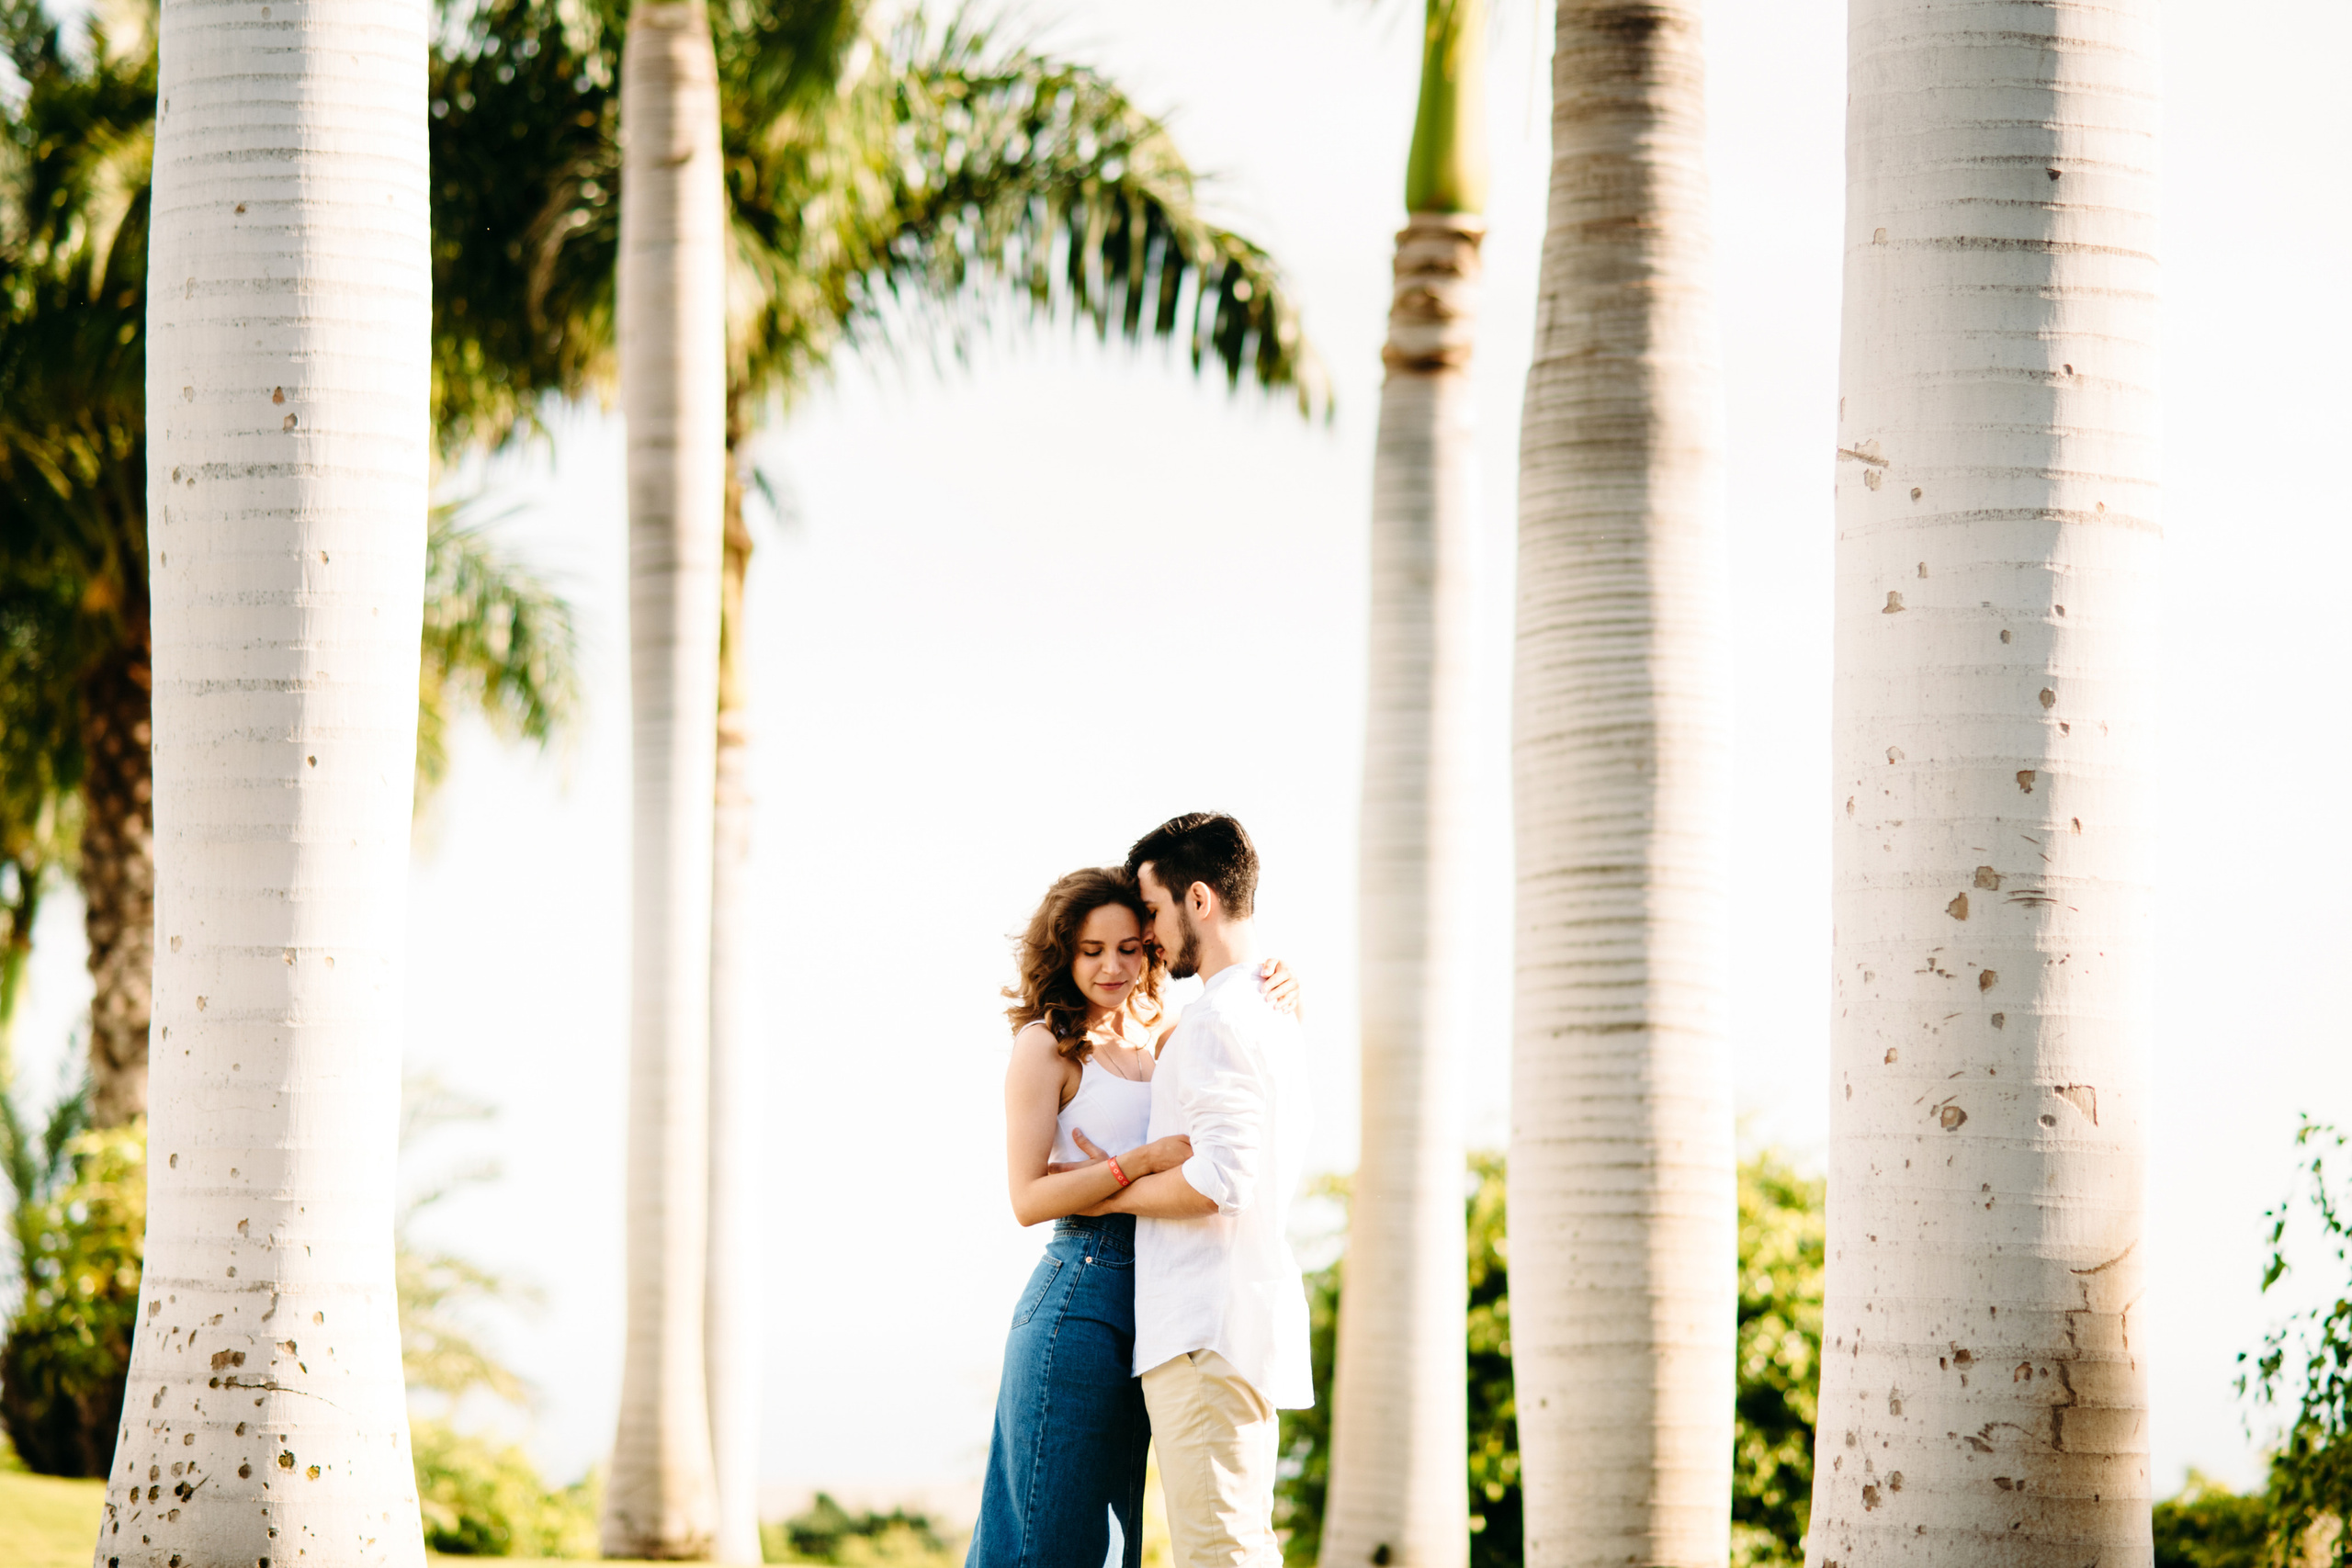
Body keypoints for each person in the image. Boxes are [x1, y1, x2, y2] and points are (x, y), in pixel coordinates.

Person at [967, 865, 1298, 1568]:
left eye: (1129, 947)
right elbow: (1027, 1197)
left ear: (1152, 947)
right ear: (1064, 952)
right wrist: (1136, 1163)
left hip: (1161, 1296)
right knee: (1055, 1536)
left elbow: (1240, 1048)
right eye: (1092, 950)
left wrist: (1287, 983)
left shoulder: (1168, 1032)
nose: (1113, 965)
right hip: (1081, 1296)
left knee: (1117, 1542)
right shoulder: (1046, 1045)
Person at [1084, 813, 1313, 1568]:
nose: (1148, 936)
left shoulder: (1221, 1017)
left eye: (1151, 912)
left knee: (1219, 1553)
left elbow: (1219, 1181)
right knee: (1235, 1545)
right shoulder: (1266, 1009)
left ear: (1201, 900)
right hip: (1227, 1325)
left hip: (1202, 1332)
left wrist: (1104, 1193)